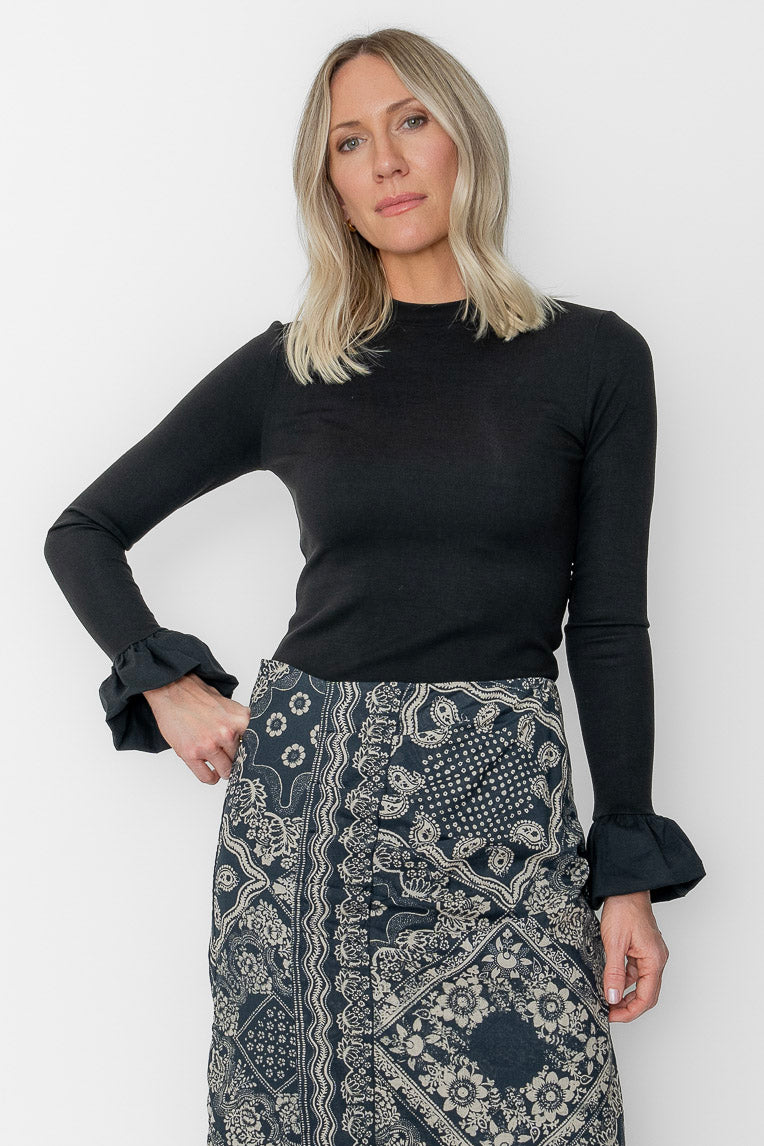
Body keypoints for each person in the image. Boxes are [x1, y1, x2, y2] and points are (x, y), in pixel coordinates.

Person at [43, 26, 706, 1146]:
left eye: (410, 122)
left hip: (500, 808)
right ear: (331, 184)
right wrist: (167, 685)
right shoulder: (294, 364)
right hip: (308, 819)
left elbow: (605, 625)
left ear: (465, 142)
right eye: (349, 142)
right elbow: (83, 532)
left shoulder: (593, 358)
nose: (386, 161)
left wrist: (624, 870)